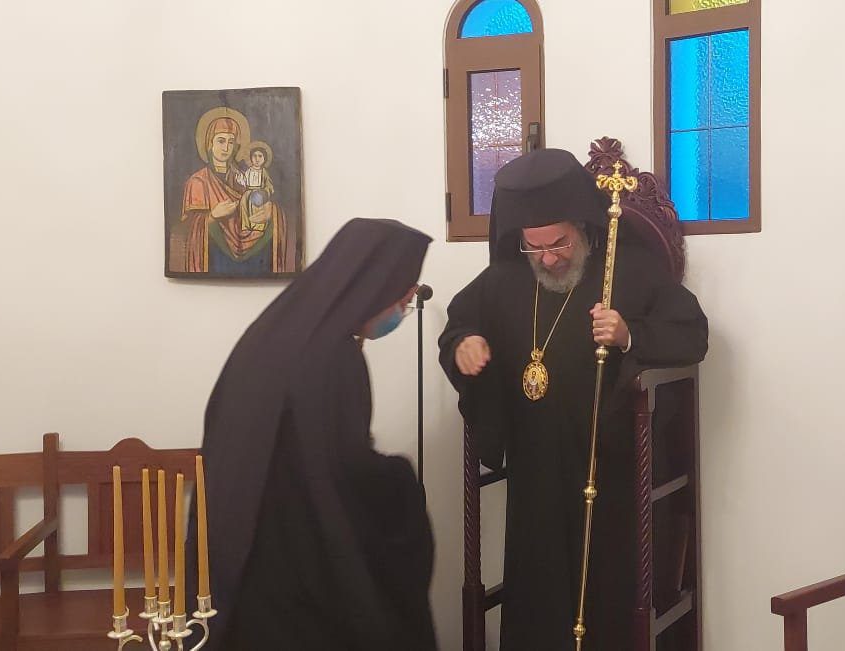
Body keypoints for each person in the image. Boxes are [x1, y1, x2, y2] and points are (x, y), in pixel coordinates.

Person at [439, 148, 709, 650]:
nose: (547, 258)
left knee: (605, 597)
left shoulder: (627, 269)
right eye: (534, 246)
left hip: (612, 471)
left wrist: (629, 334)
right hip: (534, 472)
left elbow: (692, 333)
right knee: (538, 597)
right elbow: (459, 322)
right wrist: (464, 344)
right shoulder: (506, 277)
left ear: (581, 226)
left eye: (558, 242)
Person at [189, 218, 438, 651]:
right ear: (375, 285)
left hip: (241, 552)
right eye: (404, 296)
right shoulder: (334, 356)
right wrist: (400, 479)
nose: (402, 308)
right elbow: (345, 468)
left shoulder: (273, 333)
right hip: (301, 565)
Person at [178, 110, 290, 274]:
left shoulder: (242, 178)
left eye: (231, 142)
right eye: (221, 141)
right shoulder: (198, 181)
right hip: (216, 256)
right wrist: (212, 216)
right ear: (209, 143)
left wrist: (271, 212)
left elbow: (256, 200)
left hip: (255, 257)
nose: (226, 148)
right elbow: (188, 229)